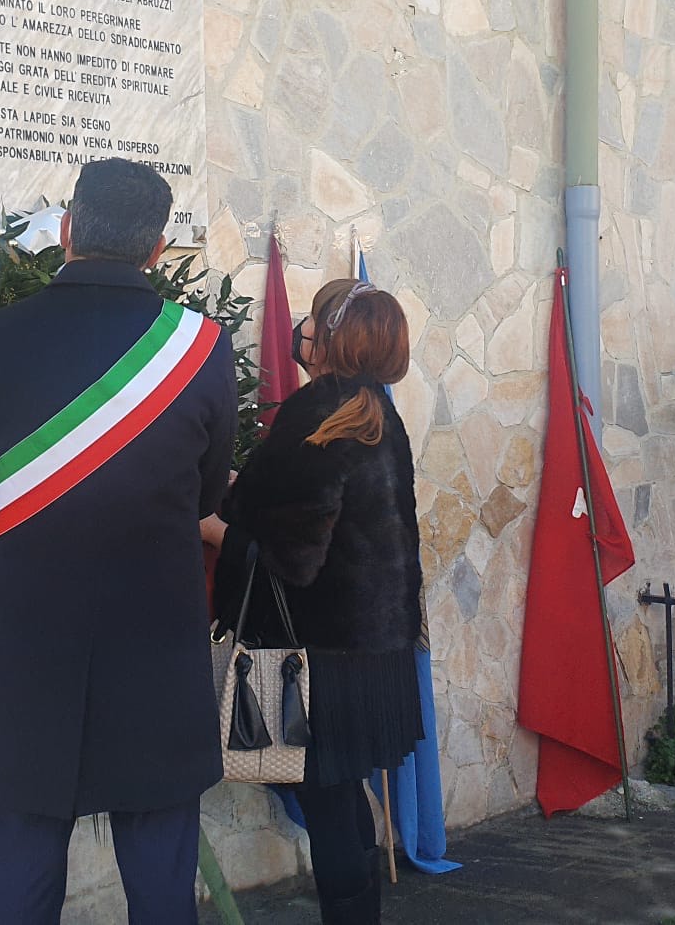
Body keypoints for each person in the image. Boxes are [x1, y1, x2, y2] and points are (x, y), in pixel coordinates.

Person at [0, 158, 237, 925]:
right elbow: (208, 495)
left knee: (26, 864)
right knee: (162, 872)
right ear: (157, 250)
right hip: (156, 641)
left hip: (32, 637)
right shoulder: (201, 347)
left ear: (68, 229)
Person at [204, 278, 424, 925]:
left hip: (317, 656)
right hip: (375, 652)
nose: (299, 327)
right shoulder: (377, 413)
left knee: (329, 812)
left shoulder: (318, 413)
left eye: (312, 318)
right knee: (344, 802)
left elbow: (292, 557)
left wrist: (211, 528)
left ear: (328, 337)